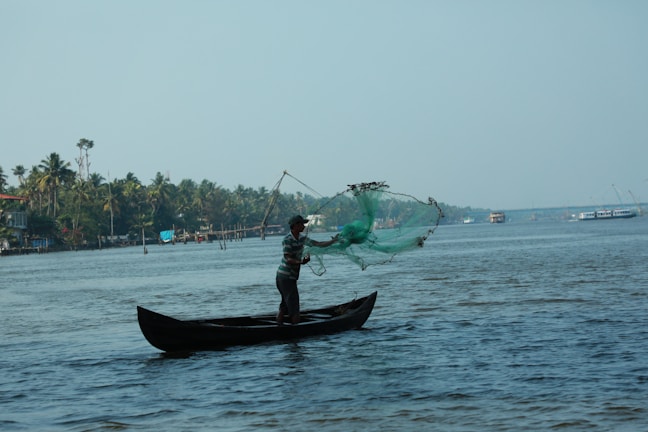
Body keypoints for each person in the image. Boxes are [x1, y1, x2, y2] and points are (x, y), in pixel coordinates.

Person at [276, 215, 338, 325]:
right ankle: (295, 332)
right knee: (294, 305)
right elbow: (288, 258)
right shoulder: (287, 240)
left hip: (291, 277)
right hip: (284, 277)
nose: (303, 226)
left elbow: (318, 244)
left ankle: (279, 327)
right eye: (301, 224)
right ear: (294, 226)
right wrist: (300, 262)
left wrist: (333, 241)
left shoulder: (302, 238)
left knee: (285, 304)